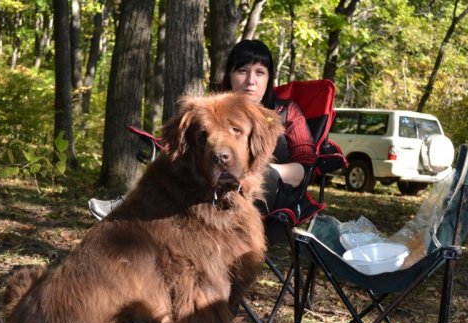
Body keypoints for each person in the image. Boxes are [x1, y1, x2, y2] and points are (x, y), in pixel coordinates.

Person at [88, 39, 315, 220]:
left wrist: (261, 168)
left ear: (269, 78)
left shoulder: (288, 112)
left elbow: (305, 166)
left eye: (259, 72)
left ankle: (133, 207)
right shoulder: (212, 109)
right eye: (242, 71)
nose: (250, 81)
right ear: (230, 75)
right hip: (211, 187)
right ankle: (132, 203)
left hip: (270, 187)